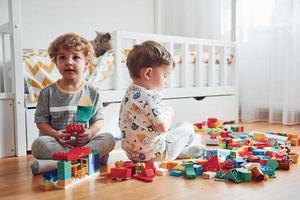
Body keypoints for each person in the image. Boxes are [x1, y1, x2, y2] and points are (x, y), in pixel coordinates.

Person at [31, 33, 115, 174]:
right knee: (39, 144)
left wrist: (90, 132)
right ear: (56, 63)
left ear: (87, 63)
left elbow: (99, 120)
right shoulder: (47, 93)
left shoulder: (93, 92)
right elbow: (41, 122)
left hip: (85, 143)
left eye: (76, 57)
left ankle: (63, 161)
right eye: (62, 57)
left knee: (109, 139)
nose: (69, 62)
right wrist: (56, 134)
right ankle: (85, 159)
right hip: (58, 144)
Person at [119, 41, 202, 162]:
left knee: (177, 128)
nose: (166, 81)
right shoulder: (149, 96)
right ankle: (185, 149)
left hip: (132, 155)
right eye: (165, 75)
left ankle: (181, 150)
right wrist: (168, 113)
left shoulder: (129, 93)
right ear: (148, 73)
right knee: (187, 127)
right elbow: (163, 127)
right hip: (157, 154)